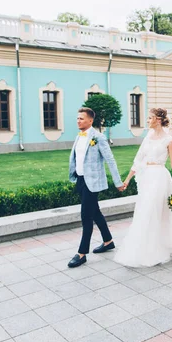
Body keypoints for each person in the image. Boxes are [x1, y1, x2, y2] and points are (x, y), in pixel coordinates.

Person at [113, 108, 172, 267]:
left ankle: (156, 248)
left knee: (155, 211)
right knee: (144, 211)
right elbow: (138, 160)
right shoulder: (148, 137)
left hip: (160, 178)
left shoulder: (169, 140)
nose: (147, 121)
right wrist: (128, 179)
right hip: (146, 178)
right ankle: (144, 247)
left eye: (150, 118)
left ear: (158, 120)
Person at [67, 107, 125, 268]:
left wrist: (118, 182)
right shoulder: (79, 136)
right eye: (77, 118)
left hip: (92, 182)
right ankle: (108, 241)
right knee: (95, 212)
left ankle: (81, 253)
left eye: (81, 118)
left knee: (86, 216)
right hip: (80, 180)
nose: (78, 121)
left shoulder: (98, 138)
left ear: (90, 121)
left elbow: (110, 160)